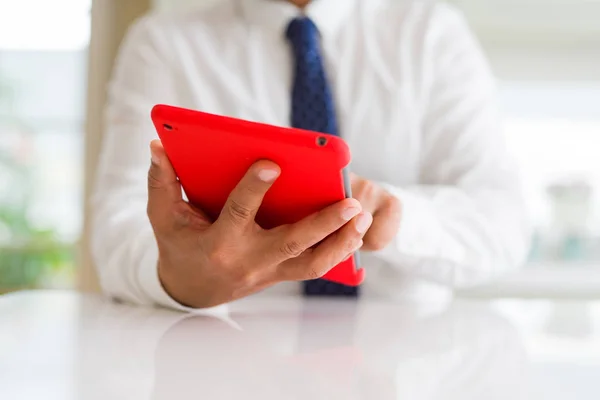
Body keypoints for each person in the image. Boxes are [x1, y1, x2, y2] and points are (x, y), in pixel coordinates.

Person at [92, 0, 530, 311]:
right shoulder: (165, 40)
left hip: (408, 357)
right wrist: (179, 280)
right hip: (229, 351)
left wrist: (394, 216)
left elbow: (502, 225)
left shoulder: (432, 33)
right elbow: (115, 232)